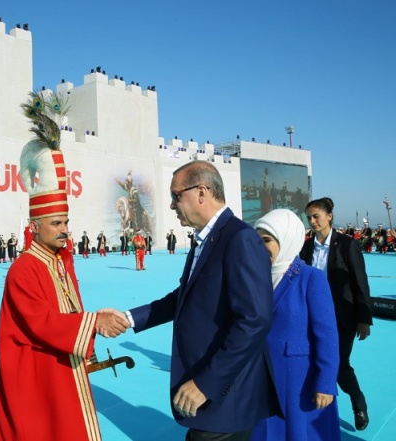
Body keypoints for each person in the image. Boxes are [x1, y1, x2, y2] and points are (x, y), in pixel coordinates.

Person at [0, 90, 129, 440]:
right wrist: (93, 324)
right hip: (38, 372)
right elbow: (42, 323)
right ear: (34, 227)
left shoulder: (61, 261)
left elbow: (69, 313)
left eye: (66, 222)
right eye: (57, 223)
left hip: (64, 362)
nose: (66, 230)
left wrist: (91, 329)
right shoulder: (25, 268)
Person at [113, 160, 281, 440]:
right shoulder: (207, 238)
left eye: (176, 196)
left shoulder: (239, 238)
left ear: (201, 192)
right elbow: (184, 298)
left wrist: (206, 383)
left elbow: (255, 320)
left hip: (226, 395)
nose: (171, 206)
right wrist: (129, 318)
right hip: (212, 396)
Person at [252, 209, 340, 441]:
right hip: (259, 379)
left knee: (298, 434)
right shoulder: (253, 278)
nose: (260, 247)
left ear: (287, 239)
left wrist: (326, 383)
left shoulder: (311, 278)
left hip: (299, 382)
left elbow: (327, 335)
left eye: (267, 240)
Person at [300, 197, 373, 431]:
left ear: (329, 216)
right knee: (313, 361)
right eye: (309, 217)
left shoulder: (348, 245)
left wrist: (364, 318)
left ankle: (358, 403)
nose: (312, 221)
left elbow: (360, 283)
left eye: (316, 216)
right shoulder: (307, 246)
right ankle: (319, 410)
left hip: (343, 315)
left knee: (339, 364)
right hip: (312, 316)